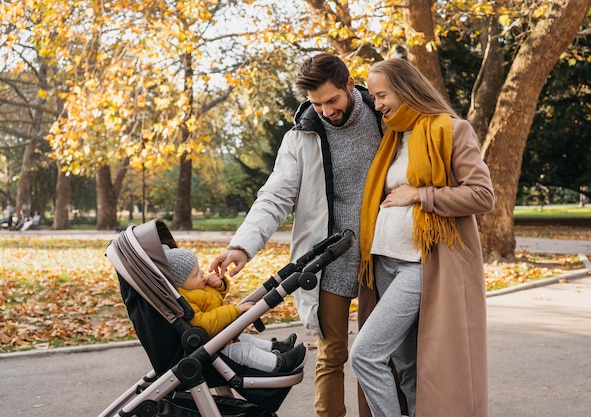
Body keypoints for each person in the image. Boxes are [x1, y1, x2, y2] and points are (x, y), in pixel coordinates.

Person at [210, 53, 382, 417]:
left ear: (350, 85)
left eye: (332, 100)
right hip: (329, 257)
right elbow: (275, 196)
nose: (326, 111)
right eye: (317, 104)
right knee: (332, 353)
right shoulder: (302, 135)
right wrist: (242, 246)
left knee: (381, 353)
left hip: (382, 253)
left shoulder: (384, 116)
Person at [350, 58, 494, 417]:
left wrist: (420, 194)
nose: (378, 104)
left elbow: (482, 195)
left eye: (383, 95)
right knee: (408, 367)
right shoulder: (392, 138)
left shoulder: (453, 130)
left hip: (422, 265)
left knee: (366, 354)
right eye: (374, 96)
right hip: (384, 261)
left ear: (406, 88)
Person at [162, 245, 306, 374]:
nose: (201, 273)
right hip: (212, 347)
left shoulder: (195, 289)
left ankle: (276, 347)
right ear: (179, 285)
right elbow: (205, 324)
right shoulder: (185, 300)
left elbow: (214, 300)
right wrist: (235, 310)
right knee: (243, 351)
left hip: (219, 338)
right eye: (195, 274)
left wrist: (218, 286)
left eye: (199, 268)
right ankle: (279, 364)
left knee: (244, 338)